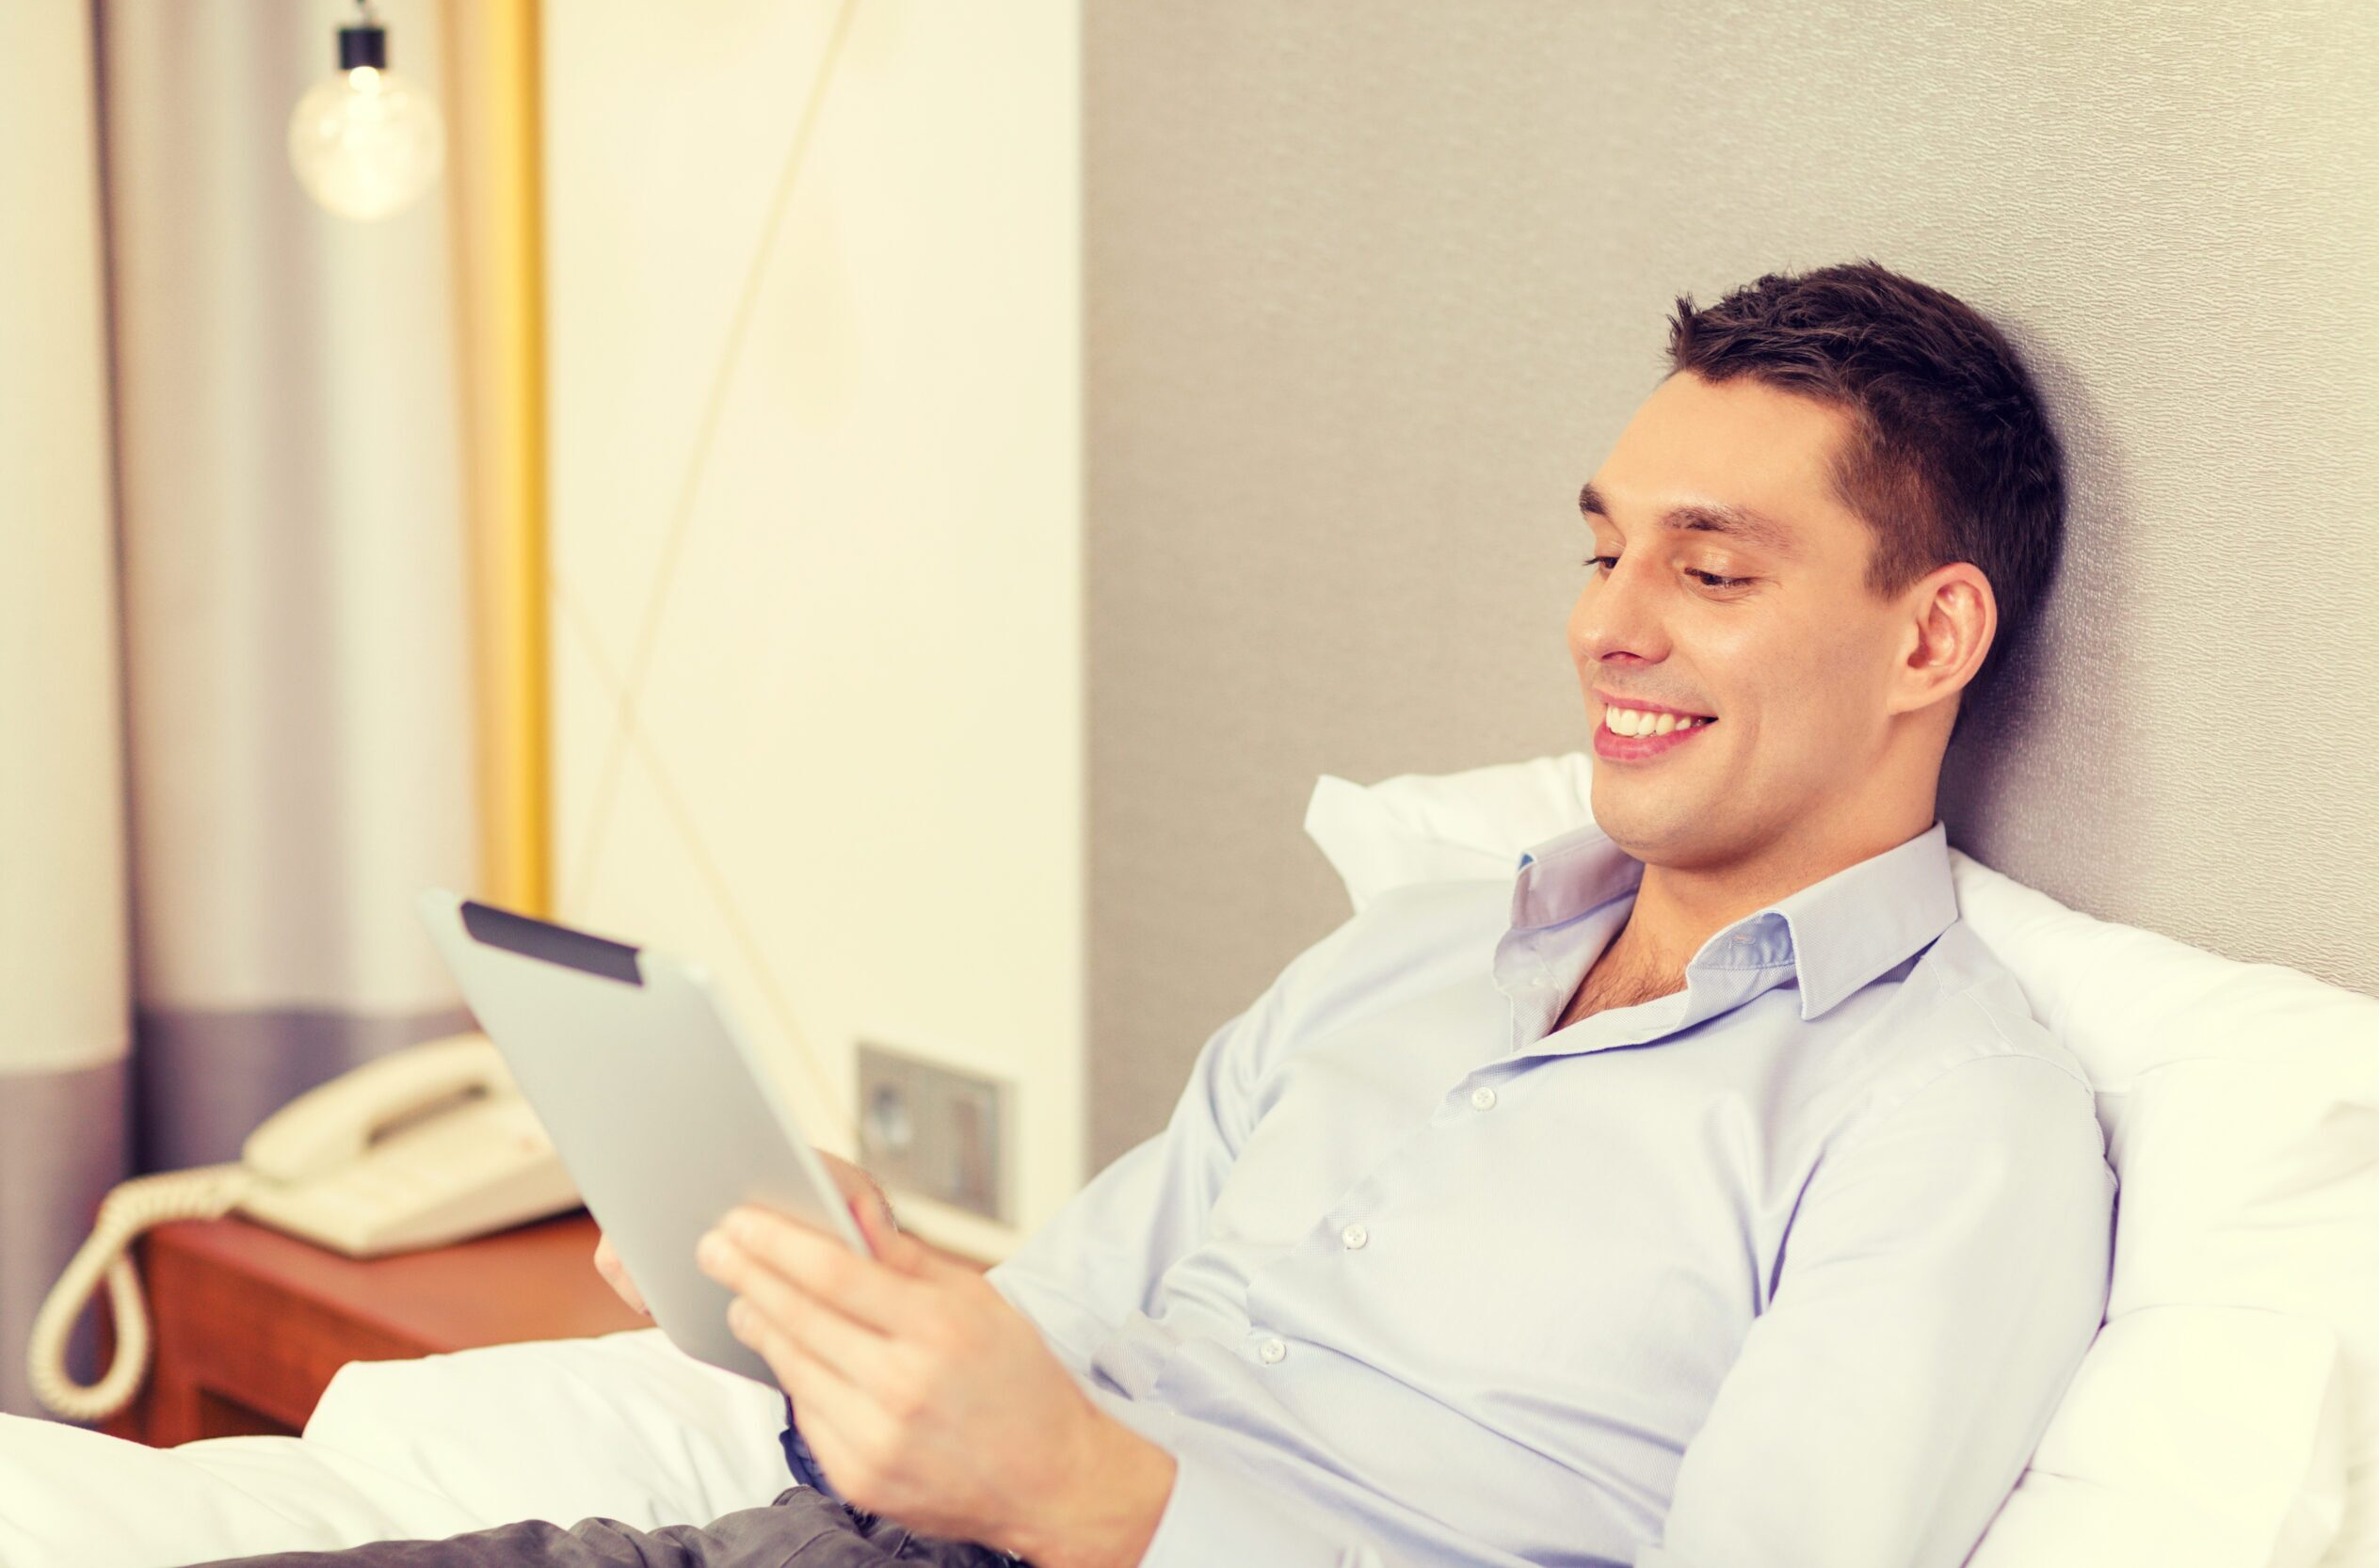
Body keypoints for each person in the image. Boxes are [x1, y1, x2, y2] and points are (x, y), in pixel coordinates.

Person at [205, 259, 2114, 1568]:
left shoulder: (1945, 1118)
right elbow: (1058, 1344)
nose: (1603, 620)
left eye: (1708, 569)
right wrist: (852, 1324)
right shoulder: (1416, 950)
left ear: (1928, 635)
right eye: (1605, 545)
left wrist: (1112, 1508)